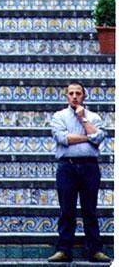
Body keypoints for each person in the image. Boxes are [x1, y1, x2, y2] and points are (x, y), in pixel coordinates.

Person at [48, 82, 110, 262]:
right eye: (71, 93)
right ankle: (64, 249)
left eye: (78, 93)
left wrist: (83, 119)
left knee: (90, 210)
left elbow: (98, 138)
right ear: (66, 96)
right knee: (66, 210)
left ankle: (94, 250)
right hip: (67, 166)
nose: (74, 96)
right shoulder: (59, 116)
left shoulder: (93, 117)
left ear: (84, 95)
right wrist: (87, 137)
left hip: (89, 167)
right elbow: (62, 138)